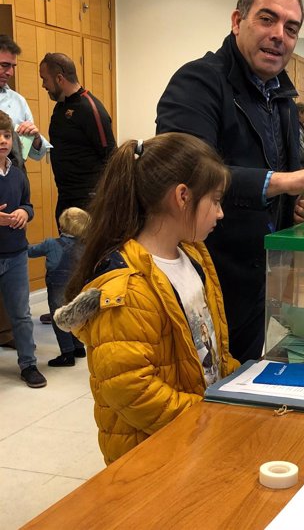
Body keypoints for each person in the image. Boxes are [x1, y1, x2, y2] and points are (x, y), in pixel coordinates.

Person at [156, 0, 304, 363]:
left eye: (291, 28)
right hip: (206, 270)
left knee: (239, 376)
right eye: (267, 20)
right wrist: (284, 181)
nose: (279, 35)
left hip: (263, 278)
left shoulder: (283, 99)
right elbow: (186, 169)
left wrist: (290, 204)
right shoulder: (198, 81)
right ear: (237, 20)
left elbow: (278, 175)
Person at [54, 133, 240, 464]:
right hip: (154, 453)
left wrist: (241, 387)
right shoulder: (124, 290)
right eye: (215, 200)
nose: (220, 213)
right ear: (182, 196)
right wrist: (209, 413)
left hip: (198, 433)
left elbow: (210, 348)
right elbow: (132, 389)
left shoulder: (194, 256)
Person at [39, 52, 116, 226]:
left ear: (59, 78)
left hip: (88, 201)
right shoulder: (60, 108)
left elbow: (112, 156)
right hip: (65, 197)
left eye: (45, 79)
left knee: (84, 253)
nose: (43, 85)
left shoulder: (90, 108)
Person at [0, 110, 46, 388]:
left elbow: (28, 204)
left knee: (21, 314)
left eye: (6, 135)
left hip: (16, 254)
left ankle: (28, 365)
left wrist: (24, 213)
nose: (3, 141)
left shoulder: (17, 174)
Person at [28, 207, 89, 367]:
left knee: (60, 318)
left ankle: (67, 353)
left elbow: (30, 252)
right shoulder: (86, 246)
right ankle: (79, 347)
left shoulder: (51, 244)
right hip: (78, 286)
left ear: (61, 226)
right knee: (77, 315)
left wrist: (20, 242)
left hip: (57, 287)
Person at [0, 35, 50, 168]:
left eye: (13, 66)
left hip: (14, 177)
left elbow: (35, 153)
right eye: (4, 65)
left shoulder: (18, 101)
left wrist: (36, 139)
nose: (10, 72)